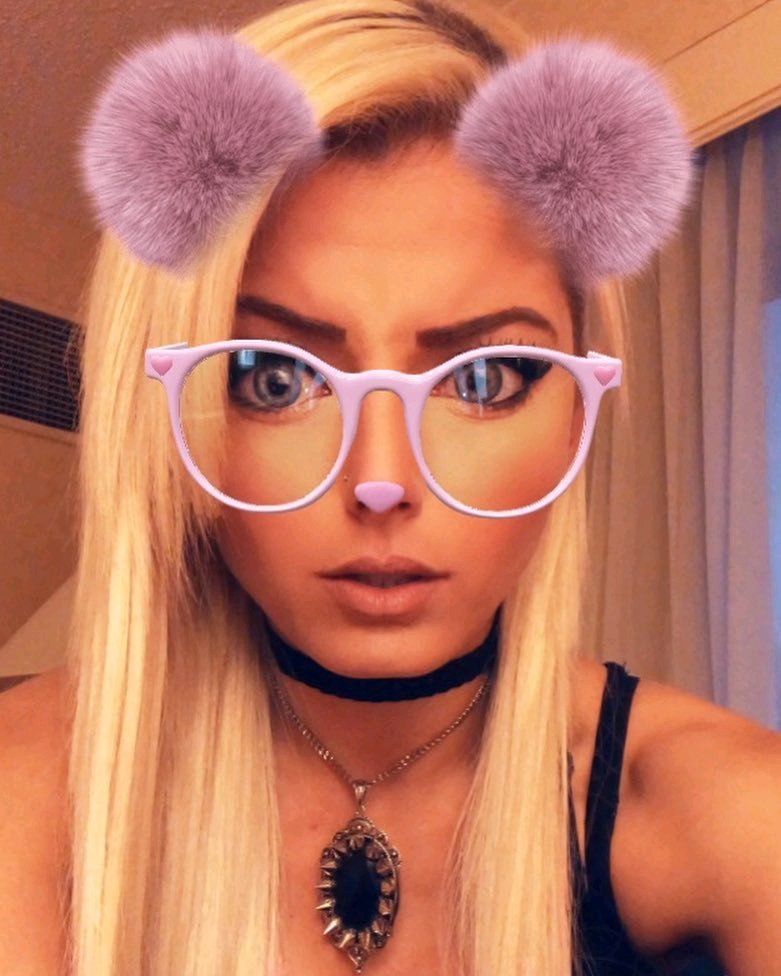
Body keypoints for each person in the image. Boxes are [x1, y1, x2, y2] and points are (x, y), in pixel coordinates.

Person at [1, 1, 779, 974]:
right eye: (274, 378)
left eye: (482, 379)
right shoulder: (29, 791)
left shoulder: (732, 815)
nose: (380, 482)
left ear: (580, 402)